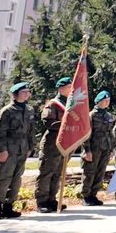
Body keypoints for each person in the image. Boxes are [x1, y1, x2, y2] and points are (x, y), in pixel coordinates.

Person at [0, 82, 34, 220]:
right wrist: (2, 150)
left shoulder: (29, 110)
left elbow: (31, 132)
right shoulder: (7, 111)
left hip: (22, 148)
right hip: (8, 148)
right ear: (15, 94)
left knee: (16, 180)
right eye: (24, 92)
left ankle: (8, 207)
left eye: (28, 92)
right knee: (2, 178)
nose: (27, 94)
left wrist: (30, 148)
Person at [35, 76, 73, 213]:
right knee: (47, 172)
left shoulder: (71, 103)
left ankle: (52, 199)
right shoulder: (53, 104)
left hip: (64, 143)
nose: (71, 90)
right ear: (61, 88)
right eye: (69, 87)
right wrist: (65, 125)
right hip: (52, 143)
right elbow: (47, 122)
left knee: (58, 172)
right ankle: (42, 201)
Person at [80, 91, 115, 205]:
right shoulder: (91, 115)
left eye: (108, 100)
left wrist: (111, 150)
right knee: (90, 173)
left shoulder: (109, 116)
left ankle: (93, 195)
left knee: (100, 173)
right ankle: (85, 196)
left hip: (105, 148)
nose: (107, 102)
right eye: (105, 100)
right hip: (93, 148)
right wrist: (87, 151)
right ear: (98, 101)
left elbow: (110, 133)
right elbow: (86, 135)